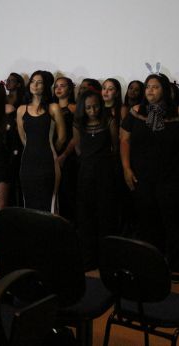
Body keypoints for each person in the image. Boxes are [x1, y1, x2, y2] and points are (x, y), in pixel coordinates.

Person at [121, 74, 179, 283]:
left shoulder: (178, 113)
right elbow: (124, 140)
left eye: (155, 87)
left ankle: (175, 264)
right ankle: (151, 262)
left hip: (170, 176)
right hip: (142, 176)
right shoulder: (136, 112)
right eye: (147, 87)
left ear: (165, 90)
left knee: (172, 221)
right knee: (147, 221)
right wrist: (126, 168)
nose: (150, 90)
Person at [73, 90, 119, 269]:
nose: (92, 110)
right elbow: (78, 148)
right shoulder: (78, 123)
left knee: (106, 215)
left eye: (96, 106)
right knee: (86, 217)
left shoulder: (109, 121)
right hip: (85, 174)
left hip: (105, 173)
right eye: (88, 108)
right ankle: (88, 258)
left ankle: (107, 258)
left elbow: (115, 147)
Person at [17, 70, 66, 211]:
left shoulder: (53, 108)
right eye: (32, 81)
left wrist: (48, 151)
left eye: (39, 82)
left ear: (46, 86)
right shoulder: (21, 110)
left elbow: (62, 137)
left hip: (48, 161)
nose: (35, 85)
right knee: (29, 203)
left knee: (49, 204)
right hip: (28, 162)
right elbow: (23, 137)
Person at [53, 76, 78, 221]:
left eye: (62, 86)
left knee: (68, 193)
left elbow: (77, 136)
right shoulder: (50, 108)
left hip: (69, 155)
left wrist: (64, 155)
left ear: (70, 89)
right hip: (52, 154)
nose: (59, 89)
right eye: (56, 86)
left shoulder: (75, 108)